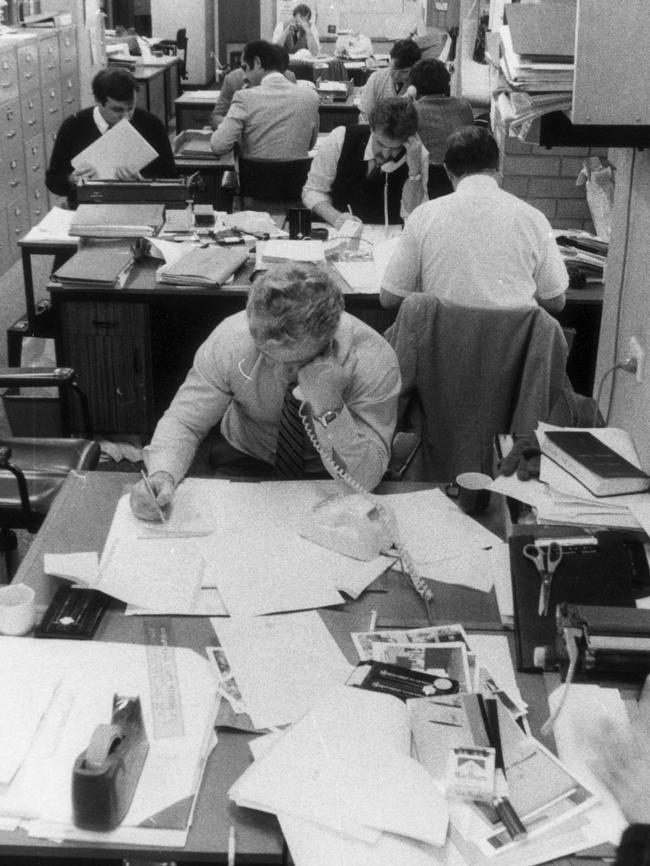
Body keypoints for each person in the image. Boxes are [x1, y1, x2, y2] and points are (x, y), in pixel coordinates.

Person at [129, 263, 401, 519]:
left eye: (296, 363)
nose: (280, 373)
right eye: (266, 355)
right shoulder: (231, 339)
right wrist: (162, 473)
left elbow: (364, 479)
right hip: (248, 456)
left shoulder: (372, 360)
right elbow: (185, 421)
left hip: (332, 474)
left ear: (329, 342)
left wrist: (330, 408)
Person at [380, 126, 568, 311]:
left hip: (444, 340)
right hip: (510, 340)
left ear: (448, 171)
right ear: (498, 165)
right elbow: (556, 301)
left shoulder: (422, 216)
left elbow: (389, 298)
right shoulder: (534, 218)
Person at [46, 67, 177, 209]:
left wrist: (141, 182)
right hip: (88, 207)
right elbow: (53, 181)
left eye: (130, 108)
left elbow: (172, 179)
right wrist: (71, 179)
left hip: (137, 206)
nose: (126, 117)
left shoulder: (151, 125)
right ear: (98, 101)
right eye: (118, 110)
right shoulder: (73, 126)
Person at [302, 97, 429, 230]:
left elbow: (414, 213)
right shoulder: (340, 139)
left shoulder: (417, 154)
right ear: (371, 129)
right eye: (380, 144)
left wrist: (415, 173)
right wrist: (336, 218)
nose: (385, 155)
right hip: (339, 232)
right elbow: (312, 191)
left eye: (395, 148)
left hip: (389, 237)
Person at [210, 39, 319, 160]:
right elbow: (310, 145)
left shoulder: (243, 97)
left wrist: (237, 131)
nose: (245, 76)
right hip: (298, 177)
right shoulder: (311, 97)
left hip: (254, 177)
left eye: (245, 67)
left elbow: (218, 146)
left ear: (257, 63)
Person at [406, 58, 474, 198]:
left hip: (431, 177)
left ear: (414, 87)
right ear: (446, 82)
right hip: (464, 174)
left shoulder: (412, 110)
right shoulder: (464, 105)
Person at [211, 45, 297, 129]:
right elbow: (216, 117)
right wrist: (239, 127)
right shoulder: (233, 79)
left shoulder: (287, 77)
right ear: (257, 64)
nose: (245, 77)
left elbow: (294, 115)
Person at [359, 38, 421, 121]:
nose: (396, 75)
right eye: (393, 68)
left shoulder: (419, 82)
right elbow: (365, 115)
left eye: (403, 72)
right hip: (378, 130)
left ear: (413, 69)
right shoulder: (376, 78)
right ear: (390, 60)